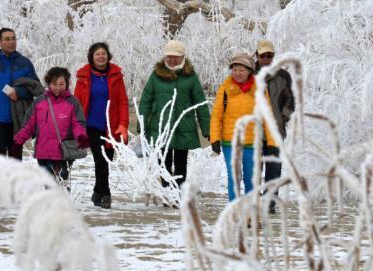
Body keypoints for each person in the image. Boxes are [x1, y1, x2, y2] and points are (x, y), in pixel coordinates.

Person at [138, 40, 210, 190]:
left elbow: (200, 102)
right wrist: (142, 123)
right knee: (163, 162)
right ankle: (167, 192)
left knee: (181, 163)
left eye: (176, 56)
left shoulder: (190, 76)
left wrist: (207, 128)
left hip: (183, 125)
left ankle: (179, 193)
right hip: (160, 125)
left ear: (183, 57)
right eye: (169, 56)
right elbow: (146, 100)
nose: (172, 59)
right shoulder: (156, 75)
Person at [209, 52, 277, 202]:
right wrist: (214, 138)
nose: (237, 73)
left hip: (252, 144)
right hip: (230, 143)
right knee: (234, 178)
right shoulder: (225, 89)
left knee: (251, 180)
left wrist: (272, 142)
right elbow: (216, 116)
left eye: (242, 70)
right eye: (234, 69)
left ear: (249, 71)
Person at [74, 42, 129, 209]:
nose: (101, 56)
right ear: (92, 56)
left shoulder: (116, 75)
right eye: (97, 54)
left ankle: (97, 191)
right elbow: (76, 102)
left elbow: (122, 102)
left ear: (108, 55)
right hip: (91, 125)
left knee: (107, 160)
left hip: (110, 127)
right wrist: (76, 124)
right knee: (100, 160)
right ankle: (106, 194)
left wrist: (123, 124)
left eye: (103, 53)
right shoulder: (84, 76)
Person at [14, 67, 88, 185]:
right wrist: (19, 138)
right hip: (43, 151)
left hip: (64, 152)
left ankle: (62, 202)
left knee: (61, 183)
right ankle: (50, 202)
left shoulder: (73, 102)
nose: (58, 87)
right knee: (48, 183)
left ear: (67, 84)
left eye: (61, 84)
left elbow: (78, 124)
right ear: (48, 84)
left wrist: (81, 137)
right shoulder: (39, 101)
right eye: (54, 84)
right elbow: (29, 123)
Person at [0, 28, 39, 159]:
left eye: (14, 38)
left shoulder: (25, 63)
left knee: (15, 159)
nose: (11, 42)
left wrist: (19, 92)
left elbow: (37, 88)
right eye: (7, 39)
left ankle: (14, 181)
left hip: (18, 118)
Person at [255, 39, 294, 210]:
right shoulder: (248, 74)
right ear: (256, 56)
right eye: (262, 55)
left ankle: (269, 203)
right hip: (254, 129)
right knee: (254, 167)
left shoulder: (283, 76)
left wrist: (282, 118)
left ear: (273, 56)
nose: (265, 58)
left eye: (269, 55)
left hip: (275, 129)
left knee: (274, 167)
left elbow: (291, 101)